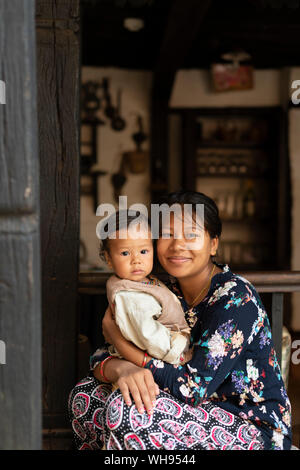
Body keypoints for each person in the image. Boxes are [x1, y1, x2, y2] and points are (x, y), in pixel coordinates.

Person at [68, 190, 292, 450]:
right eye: (167, 234)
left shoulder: (235, 299)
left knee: (129, 408)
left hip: (251, 427)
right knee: (85, 395)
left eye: (191, 235)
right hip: (196, 410)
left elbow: (192, 389)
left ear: (213, 244)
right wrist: (121, 368)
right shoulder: (162, 291)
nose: (177, 245)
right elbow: (100, 356)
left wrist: (121, 342)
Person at [100, 210, 191, 367]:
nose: (136, 260)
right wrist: (178, 354)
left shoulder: (144, 281)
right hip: (161, 358)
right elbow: (147, 334)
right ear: (108, 258)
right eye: (125, 253)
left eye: (143, 251)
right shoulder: (128, 295)